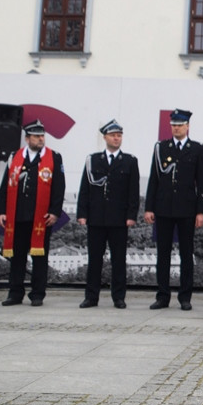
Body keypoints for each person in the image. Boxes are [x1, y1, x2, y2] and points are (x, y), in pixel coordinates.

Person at [0, 119, 65, 307]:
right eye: (36, 136)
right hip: (17, 216)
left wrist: (54, 212)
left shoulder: (53, 157)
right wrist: (1, 211)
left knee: (39, 257)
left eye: (42, 136)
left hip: (41, 218)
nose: (41, 139)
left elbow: (59, 188)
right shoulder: (15, 157)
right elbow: (5, 186)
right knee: (17, 256)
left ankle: (37, 294)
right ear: (27, 138)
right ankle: (15, 293)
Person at [144, 109, 203, 311]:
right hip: (163, 208)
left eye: (180, 124)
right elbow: (154, 179)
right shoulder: (161, 147)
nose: (176, 127)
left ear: (188, 126)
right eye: (173, 124)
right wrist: (149, 207)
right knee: (163, 254)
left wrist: (200, 211)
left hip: (187, 209)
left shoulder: (197, 149)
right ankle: (163, 296)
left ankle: (185, 297)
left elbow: (201, 183)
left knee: (186, 254)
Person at [76, 119, 140, 309]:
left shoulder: (129, 161)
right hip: (96, 217)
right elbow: (85, 189)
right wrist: (82, 213)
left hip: (119, 219)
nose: (116, 138)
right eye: (113, 135)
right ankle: (91, 296)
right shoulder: (93, 160)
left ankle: (118, 297)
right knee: (94, 259)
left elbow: (133, 191)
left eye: (119, 135)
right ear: (105, 137)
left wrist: (131, 215)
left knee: (118, 260)